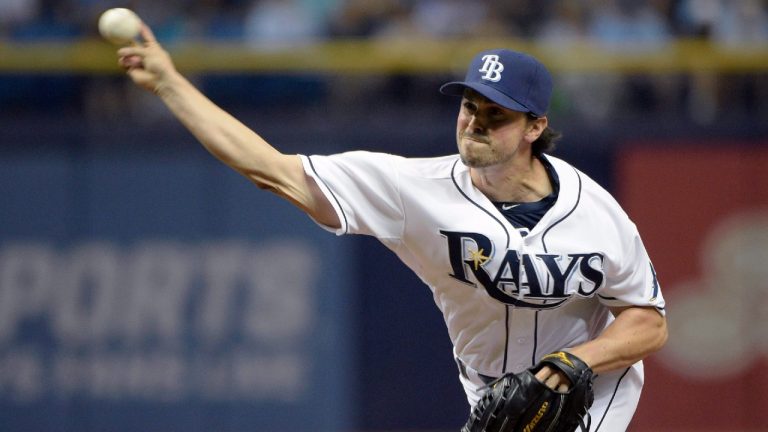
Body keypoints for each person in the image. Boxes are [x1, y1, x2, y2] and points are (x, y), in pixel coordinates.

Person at [117, 24, 668, 431]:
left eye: (495, 114)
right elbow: (272, 170)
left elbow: (648, 322)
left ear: (535, 127)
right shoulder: (414, 191)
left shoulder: (596, 213)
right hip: (491, 396)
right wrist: (169, 85)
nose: (474, 122)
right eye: (469, 106)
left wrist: (576, 361)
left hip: (591, 393)